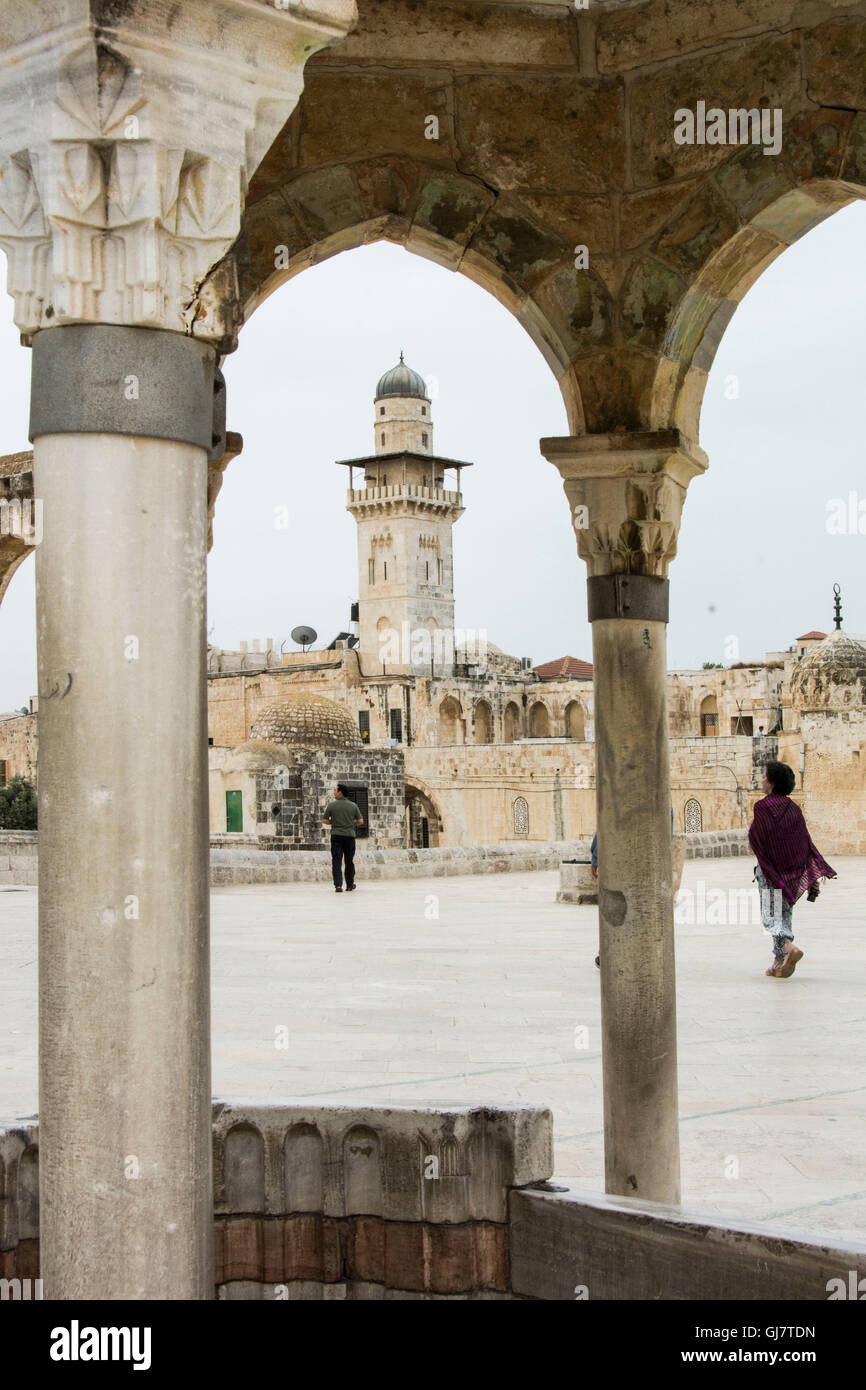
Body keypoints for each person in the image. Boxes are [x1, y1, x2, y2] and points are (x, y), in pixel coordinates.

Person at [748, 760, 835, 978]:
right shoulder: (793, 808)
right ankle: (779, 963)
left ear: (772, 782)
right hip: (792, 872)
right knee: (784, 916)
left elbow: (758, 839)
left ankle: (788, 947)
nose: (762, 779)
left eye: (765, 776)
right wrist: (808, 872)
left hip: (770, 872)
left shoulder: (762, 807)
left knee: (771, 917)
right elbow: (804, 841)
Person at [322, 784, 364, 892]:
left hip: (336, 835)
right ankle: (350, 884)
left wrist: (334, 822)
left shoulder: (332, 805)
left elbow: (325, 820)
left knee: (336, 860)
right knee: (349, 860)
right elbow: (360, 821)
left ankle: (338, 885)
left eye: (336, 791)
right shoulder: (353, 805)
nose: (334, 792)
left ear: (340, 792)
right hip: (349, 836)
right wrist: (350, 822)